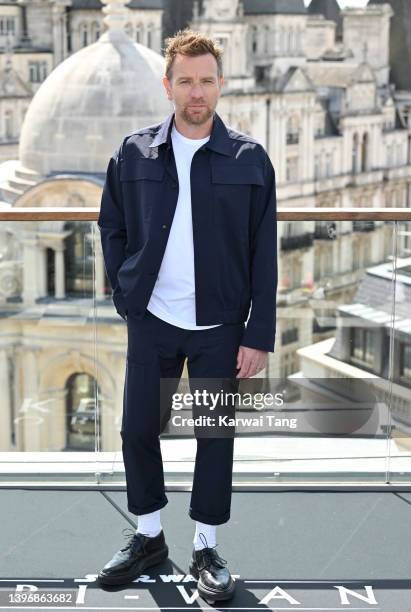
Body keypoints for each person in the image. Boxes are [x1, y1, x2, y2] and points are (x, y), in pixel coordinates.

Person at [97, 28, 277, 604]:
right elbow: (113, 225)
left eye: (205, 81)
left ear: (220, 84)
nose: (196, 92)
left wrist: (258, 333)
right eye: (185, 81)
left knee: (213, 437)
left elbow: (263, 252)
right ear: (168, 85)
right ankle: (149, 538)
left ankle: (206, 547)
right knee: (136, 430)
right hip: (152, 319)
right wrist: (128, 295)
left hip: (220, 326)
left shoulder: (250, 160)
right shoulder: (134, 152)